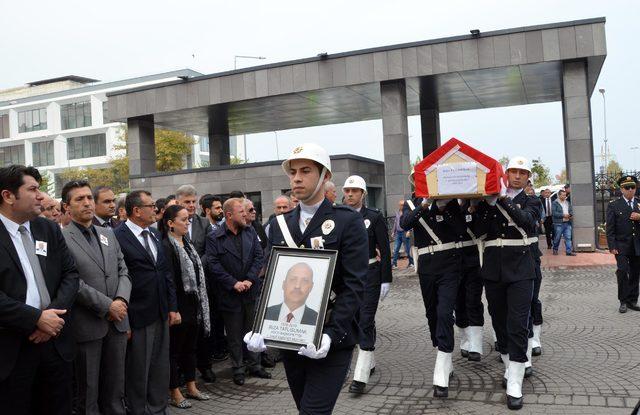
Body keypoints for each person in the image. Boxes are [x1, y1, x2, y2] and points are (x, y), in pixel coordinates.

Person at [245, 142, 368, 414]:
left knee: (313, 411)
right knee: (305, 408)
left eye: (306, 171)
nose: (297, 178)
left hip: (330, 338)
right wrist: (262, 325)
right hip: (291, 336)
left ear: (325, 177)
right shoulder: (279, 224)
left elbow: (354, 285)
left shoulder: (347, 221)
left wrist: (331, 335)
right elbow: (273, 280)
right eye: (293, 172)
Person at [0, 165, 79, 414]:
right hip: (12, 348)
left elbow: (70, 274)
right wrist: (35, 319)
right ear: (8, 196)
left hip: (55, 342)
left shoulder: (48, 229)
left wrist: (51, 317)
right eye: (32, 189)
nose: (41, 196)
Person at [475, 156, 540, 410]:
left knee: (517, 322)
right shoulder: (489, 200)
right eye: (512, 171)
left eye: (522, 173)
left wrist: (502, 200)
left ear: (527, 177)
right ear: (505, 174)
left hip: (522, 267)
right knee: (499, 320)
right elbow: (476, 231)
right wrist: (479, 206)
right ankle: (508, 363)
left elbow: (526, 221)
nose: (516, 176)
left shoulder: (532, 200)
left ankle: (515, 380)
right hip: (493, 267)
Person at [61, 180, 131, 415]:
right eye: (79, 199)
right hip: (87, 326)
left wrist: (121, 300)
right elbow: (72, 281)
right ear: (66, 207)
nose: (87, 203)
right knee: (88, 393)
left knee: (115, 389)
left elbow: (123, 269)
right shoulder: (62, 237)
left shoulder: (108, 234)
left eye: (89, 197)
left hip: (117, 321)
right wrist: (107, 305)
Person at [114, 190, 179, 415]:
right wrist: (126, 321)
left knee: (160, 367)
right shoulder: (117, 236)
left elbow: (165, 272)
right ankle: (139, 410)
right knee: (138, 370)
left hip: (161, 312)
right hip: (137, 315)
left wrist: (172, 307)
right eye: (151, 206)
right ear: (136, 211)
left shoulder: (153, 234)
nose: (156, 210)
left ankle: (159, 408)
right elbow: (119, 279)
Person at [401, 190, 471, 398]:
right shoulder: (412, 203)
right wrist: (425, 205)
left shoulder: (451, 204)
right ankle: (442, 350)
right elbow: (405, 223)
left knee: (444, 312)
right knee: (432, 314)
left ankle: (442, 360)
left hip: (450, 264)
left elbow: (460, 230)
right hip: (427, 267)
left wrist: (443, 208)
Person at [206, 198, 270, 386]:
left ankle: (255, 365)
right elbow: (213, 265)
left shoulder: (250, 232)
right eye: (241, 212)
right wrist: (234, 283)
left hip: (250, 292)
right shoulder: (214, 237)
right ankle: (238, 368)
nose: (245, 214)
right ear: (229, 215)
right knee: (234, 335)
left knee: (252, 331)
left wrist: (250, 279)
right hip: (229, 294)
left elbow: (259, 257)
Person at [341, 175, 392, 394]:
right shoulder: (339, 217)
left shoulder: (374, 216)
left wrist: (386, 278)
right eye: (347, 190)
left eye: (354, 191)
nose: (350, 194)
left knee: (366, 319)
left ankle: (360, 377)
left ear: (363, 194)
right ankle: (369, 361)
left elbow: (385, 248)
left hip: (370, 273)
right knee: (355, 320)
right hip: (346, 276)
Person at [160, 205, 211, 408]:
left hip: (194, 304)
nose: (188, 222)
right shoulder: (165, 246)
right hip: (177, 306)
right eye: (183, 219)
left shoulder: (188, 244)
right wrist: (174, 309)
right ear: (170, 223)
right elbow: (169, 279)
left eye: (188, 219)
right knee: (175, 350)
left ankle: (191, 387)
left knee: (190, 347)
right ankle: (174, 392)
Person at [454, 198, 485, 363]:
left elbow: (483, 229)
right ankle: (465, 339)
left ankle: (476, 344)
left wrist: (475, 210)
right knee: (458, 302)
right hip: (454, 261)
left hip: (473, 260)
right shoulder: (449, 203)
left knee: (473, 300)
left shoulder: (477, 203)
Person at [606, 175, 640, 313]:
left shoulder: (639, 204)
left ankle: (633, 300)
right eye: (627, 187)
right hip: (621, 245)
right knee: (622, 271)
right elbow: (610, 228)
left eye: (633, 187)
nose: (630, 190)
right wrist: (612, 246)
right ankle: (623, 301)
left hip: (637, 245)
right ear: (621, 189)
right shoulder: (614, 205)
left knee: (635, 273)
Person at [176, 184, 211, 257]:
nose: (192, 205)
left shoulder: (205, 223)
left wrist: (199, 266)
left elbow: (210, 251)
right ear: (177, 203)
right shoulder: (171, 224)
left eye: (194, 201)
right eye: (187, 202)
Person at [392, 199, 414, 270]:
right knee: (396, 249)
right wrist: (393, 232)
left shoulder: (407, 213)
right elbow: (396, 222)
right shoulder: (397, 212)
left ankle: (411, 263)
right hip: (398, 233)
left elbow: (411, 222)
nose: (400, 206)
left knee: (407, 249)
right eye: (400, 205)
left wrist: (409, 231)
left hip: (405, 232)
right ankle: (394, 264)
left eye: (402, 205)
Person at [552, 189, 575, 256]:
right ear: (559, 195)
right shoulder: (555, 203)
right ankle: (555, 249)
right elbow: (554, 213)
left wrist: (570, 215)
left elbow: (570, 210)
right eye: (563, 195)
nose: (565, 196)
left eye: (565, 195)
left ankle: (568, 252)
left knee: (568, 237)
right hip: (558, 223)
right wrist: (563, 215)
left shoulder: (567, 202)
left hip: (567, 223)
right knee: (557, 237)